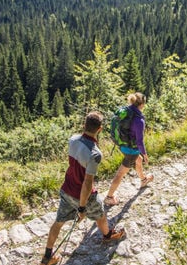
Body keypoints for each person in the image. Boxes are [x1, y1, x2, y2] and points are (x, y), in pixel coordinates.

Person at [40, 111, 125, 265]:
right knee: (100, 215)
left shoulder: (72, 140)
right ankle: (107, 236)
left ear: (84, 125)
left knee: (58, 222)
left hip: (67, 188)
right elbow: (87, 183)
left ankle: (47, 255)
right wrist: (81, 207)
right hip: (83, 195)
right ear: (100, 129)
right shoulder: (95, 154)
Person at [104, 92, 154, 206]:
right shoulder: (139, 120)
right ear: (141, 105)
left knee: (139, 160)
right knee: (120, 174)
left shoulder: (126, 111)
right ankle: (109, 197)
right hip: (131, 150)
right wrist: (145, 154)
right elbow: (139, 141)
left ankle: (143, 180)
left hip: (122, 144)